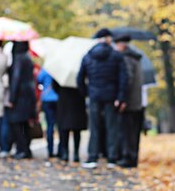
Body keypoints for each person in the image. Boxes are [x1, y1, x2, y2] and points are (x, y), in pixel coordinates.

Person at [77, 28, 127, 168]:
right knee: (112, 127)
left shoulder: (88, 56)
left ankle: (92, 157)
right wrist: (120, 96)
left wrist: (86, 92)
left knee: (94, 127)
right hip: (111, 96)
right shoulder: (116, 56)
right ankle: (112, 158)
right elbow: (123, 78)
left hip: (94, 95)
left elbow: (80, 78)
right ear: (108, 39)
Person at [113, 35, 143, 168]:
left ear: (122, 45)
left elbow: (128, 80)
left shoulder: (125, 59)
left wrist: (122, 99)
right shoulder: (135, 59)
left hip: (129, 102)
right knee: (133, 132)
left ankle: (127, 157)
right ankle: (133, 157)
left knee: (126, 131)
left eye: (116, 45)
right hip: (136, 101)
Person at [8, 41, 36, 159]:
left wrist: (12, 98)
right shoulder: (27, 57)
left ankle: (22, 149)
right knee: (24, 123)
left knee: (16, 123)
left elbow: (16, 78)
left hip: (20, 95)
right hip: (28, 94)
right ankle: (25, 149)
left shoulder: (19, 58)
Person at [53, 80, 87, 163]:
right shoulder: (79, 69)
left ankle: (65, 153)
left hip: (64, 99)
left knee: (65, 130)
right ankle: (75, 154)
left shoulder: (62, 73)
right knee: (76, 130)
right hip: (77, 99)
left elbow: (55, 86)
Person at [37, 68, 59, 158]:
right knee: (59, 126)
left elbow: (38, 80)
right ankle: (61, 150)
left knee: (50, 125)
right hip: (58, 99)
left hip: (47, 99)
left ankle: (50, 150)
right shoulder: (59, 69)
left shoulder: (46, 69)